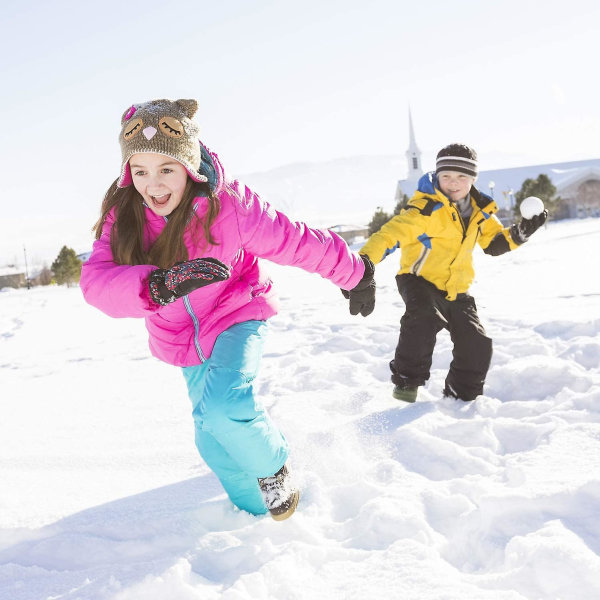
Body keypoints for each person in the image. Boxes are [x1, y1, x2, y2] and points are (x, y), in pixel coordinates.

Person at [80, 98, 375, 520]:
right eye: (140, 171)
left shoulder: (228, 205)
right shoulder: (124, 217)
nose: (154, 184)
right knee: (210, 440)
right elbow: (96, 282)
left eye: (166, 169)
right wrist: (159, 286)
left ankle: (273, 469)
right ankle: (259, 515)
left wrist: (353, 272)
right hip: (181, 338)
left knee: (225, 407)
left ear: (189, 164)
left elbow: (293, 239)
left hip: (237, 312)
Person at [346, 143, 547, 403]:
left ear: (473, 179)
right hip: (418, 280)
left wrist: (521, 233)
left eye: (462, 176)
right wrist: (361, 266)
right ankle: (406, 383)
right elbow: (388, 236)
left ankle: (460, 397)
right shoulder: (424, 209)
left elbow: (494, 243)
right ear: (437, 176)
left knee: (477, 342)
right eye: (447, 176)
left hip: (456, 288)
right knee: (424, 317)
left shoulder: (480, 210)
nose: (453, 183)